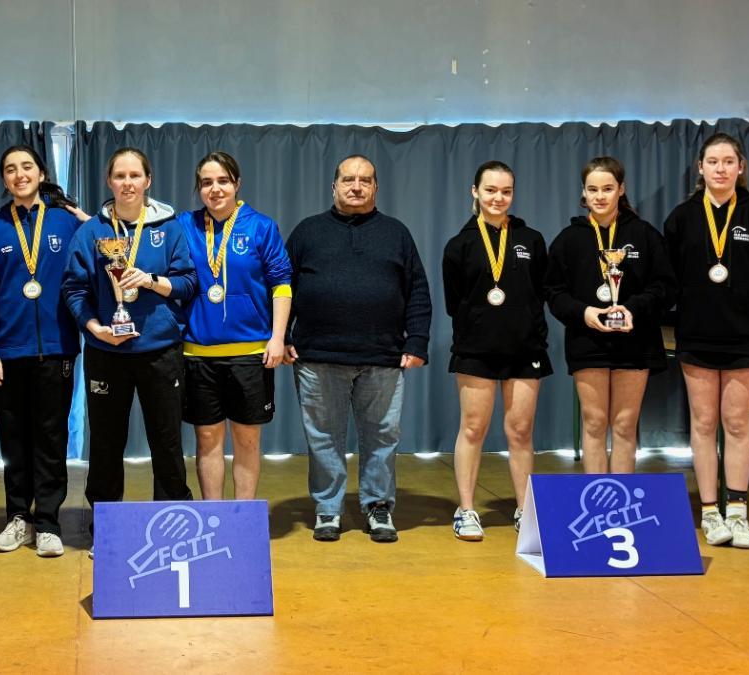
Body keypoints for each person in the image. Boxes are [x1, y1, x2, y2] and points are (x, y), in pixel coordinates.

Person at [285, 155, 431, 543]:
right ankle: (328, 508)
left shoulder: (396, 233)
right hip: (317, 356)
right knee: (323, 437)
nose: (356, 186)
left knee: (383, 436)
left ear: (375, 188)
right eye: (348, 179)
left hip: (383, 357)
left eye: (365, 180)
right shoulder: (307, 232)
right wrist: (282, 337)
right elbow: (282, 290)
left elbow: (418, 290)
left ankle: (378, 506)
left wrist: (416, 341)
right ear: (333, 186)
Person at [663, 133, 749, 549]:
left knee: (737, 424)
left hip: (745, 339)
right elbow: (668, 279)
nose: (720, 169)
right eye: (712, 161)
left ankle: (737, 512)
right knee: (703, 424)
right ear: (700, 169)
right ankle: (709, 514)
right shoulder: (682, 219)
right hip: (698, 337)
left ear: (741, 168)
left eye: (728, 161)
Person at [61, 147, 196, 544]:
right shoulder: (92, 233)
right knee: (105, 442)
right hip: (107, 352)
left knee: (167, 441)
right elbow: (73, 289)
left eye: (135, 175)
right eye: (119, 176)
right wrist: (95, 329)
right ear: (109, 182)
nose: (127, 183)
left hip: (160, 351)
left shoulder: (169, 228)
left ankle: (172, 524)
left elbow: (188, 283)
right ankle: (106, 526)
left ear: (148, 180)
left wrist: (151, 280)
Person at [0, 146, 81, 557]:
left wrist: (81, 215)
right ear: (4, 179)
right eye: (10, 169)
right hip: (8, 353)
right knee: (14, 441)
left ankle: (49, 523)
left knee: (51, 439)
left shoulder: (65, 222)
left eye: (26, 167)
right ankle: (19, 518)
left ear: (41, 173)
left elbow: (96, 260)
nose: (19, 175)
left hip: (57, 349)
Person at [545, 157, 677, 475]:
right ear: (584, 193)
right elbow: (553, 293)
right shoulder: (568, 240)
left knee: (624, 424)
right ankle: (596, 501)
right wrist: (584, 312)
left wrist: (633, 308)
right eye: (593, 189)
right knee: (594, 422)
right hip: (587, 340)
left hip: (635, 340)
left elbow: (666, 286)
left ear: (621, 189)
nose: (600, 196)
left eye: (607, 188)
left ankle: (622, 501)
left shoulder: (645, 235)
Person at [442, 161, 550, 541]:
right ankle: (467, 509)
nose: (498, 198)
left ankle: (525, 509)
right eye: (490, 190)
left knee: (520, 430)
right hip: (477, 349)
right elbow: (455, 302)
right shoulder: (460, 245)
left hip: (524, 349)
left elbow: (540, 293)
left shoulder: (531, 240)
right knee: (473, 428)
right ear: (475, 192)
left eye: (505, 191)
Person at [177, 152, 292, 500]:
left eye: (223, 180)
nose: (215, 189)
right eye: (207, 182)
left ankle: (242, 520)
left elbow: (282, 284)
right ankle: (214, 518)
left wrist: (277, 337)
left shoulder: (261, 226)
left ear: (237, 184)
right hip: (198, 352)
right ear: (199, 188)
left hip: (251, 353)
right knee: (207, 438)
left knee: (247, 439)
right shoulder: (185, 225)